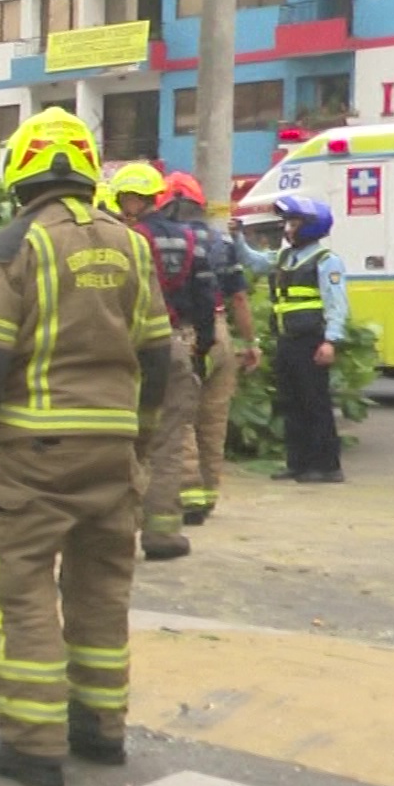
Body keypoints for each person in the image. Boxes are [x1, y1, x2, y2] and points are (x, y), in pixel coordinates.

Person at [0, 108, 172, 786]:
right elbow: (157, 356)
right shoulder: (130, 246)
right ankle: (101, 731)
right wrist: (141, 438)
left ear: (20, 175)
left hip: (33, 454)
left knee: (22, 589)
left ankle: (33, 744)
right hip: (112, 449)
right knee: (102, 590)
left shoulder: (13, 247)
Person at [109, 164, 217, 561]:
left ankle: (115, 531)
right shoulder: (191, 241)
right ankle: (162, 534)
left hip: (126, 351)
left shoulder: (119, 241)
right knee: (168, 444)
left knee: (120, 441)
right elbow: (207, 299)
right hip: (174, 345)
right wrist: (202, 348)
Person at [158, 172, 261, 526]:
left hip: (185, 333)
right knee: (213, 422)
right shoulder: (221, 242)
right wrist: (250, 343)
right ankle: (209, 494)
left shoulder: (166, 241)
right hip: (222, 334)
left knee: (180, 415)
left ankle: (189, 499)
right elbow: (239, 298)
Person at [235, 195, 348, 484]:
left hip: (312, 341)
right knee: (292, 403)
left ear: (310, 226)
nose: (287, 229)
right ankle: (297, 463)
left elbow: (337, 304)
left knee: (315, 403)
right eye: (287, 222)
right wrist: (236, 236)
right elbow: (255, 262)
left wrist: (330, 341)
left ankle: (326, 466)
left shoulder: (326, 260)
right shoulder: (285, 257)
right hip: (287, 340)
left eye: (293, 223)